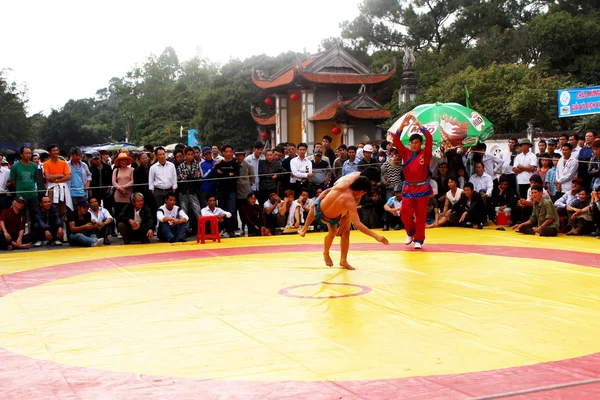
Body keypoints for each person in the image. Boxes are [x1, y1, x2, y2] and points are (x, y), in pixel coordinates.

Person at [299, 175, 389, 270]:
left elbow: (326, 191)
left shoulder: (343, 184)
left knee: (332, 228)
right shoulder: (350, 201)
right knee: (342, 229)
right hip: (331, 218)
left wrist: (316, 201)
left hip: (318, 210)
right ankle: (330, 254)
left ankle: (306, 230)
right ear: (362, 192)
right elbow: (357, 224)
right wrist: (376, 236)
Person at [392, 113, 433, 249]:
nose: (414, 144)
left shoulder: (425, 154)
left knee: (421, 216)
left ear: (420, 144)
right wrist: (402, 126)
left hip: (422, 188)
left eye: (416, 142)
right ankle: (410, 232)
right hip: (409, 188)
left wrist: (419, 125)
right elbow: (396, 141)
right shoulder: (406, 153)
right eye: (412, 142)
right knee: (405, 212)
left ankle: (419, 240)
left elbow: (429, 137)